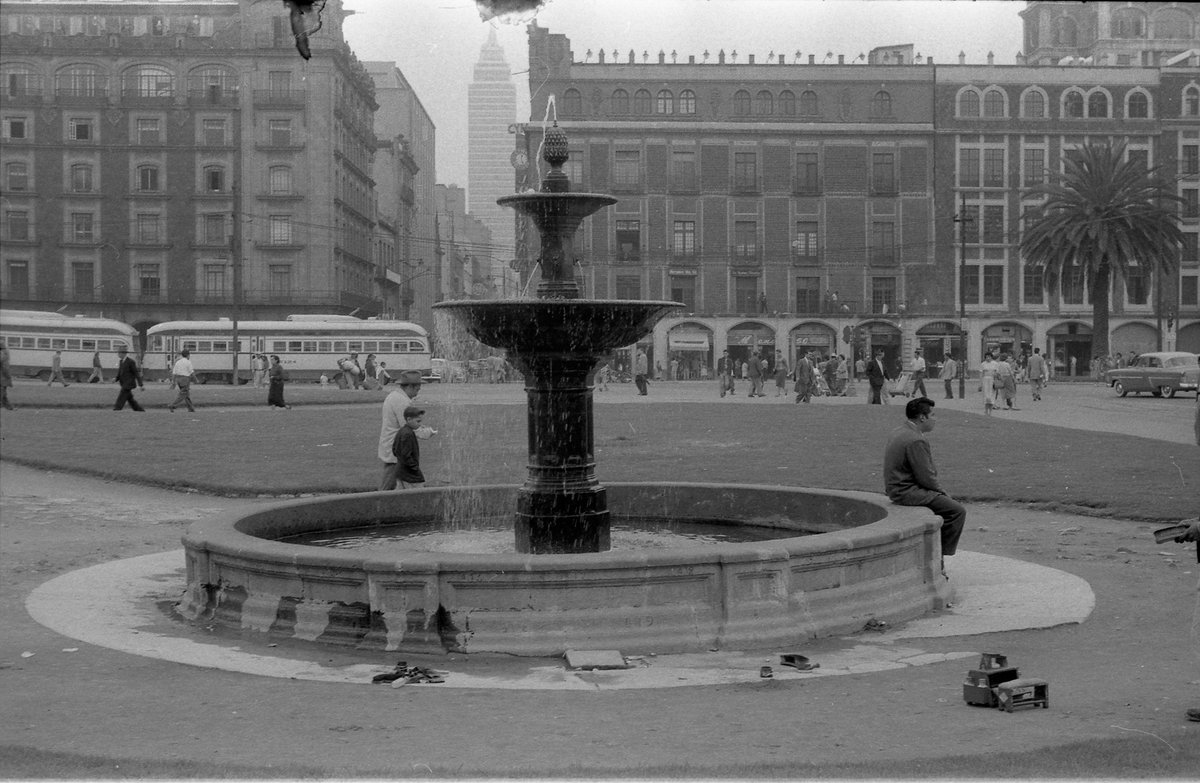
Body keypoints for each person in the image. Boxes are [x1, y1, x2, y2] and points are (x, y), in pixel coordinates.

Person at [883, 397, 966, 577]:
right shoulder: (916, 440)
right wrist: (943, 493)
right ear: (922, 417)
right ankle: (939, 557)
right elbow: (926, 477)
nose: (935, 419)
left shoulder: (900, 431)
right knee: (956, 511)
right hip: (907, 492)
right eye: (933, 415)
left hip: (897, 488)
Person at [378, 370, 427, 490]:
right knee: (388, 486)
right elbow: (409, 425)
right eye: (417, 389)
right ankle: (379, 506)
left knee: (397, 484)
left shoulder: (394, 396)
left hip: (395, 447)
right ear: (410, 386)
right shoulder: (401, 401)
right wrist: (426, 432)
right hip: (398, 448)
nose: (417, 392)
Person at [391, 405, 428, 489]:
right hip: (410, 474)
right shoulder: (408, 434)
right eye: (418, 421)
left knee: (400, 496)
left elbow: (394, 450)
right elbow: (405, 455)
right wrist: (414, 467)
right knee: (418, 495)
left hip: (400, 471)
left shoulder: (401, 431)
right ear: (409, 419)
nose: (420, 424)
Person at [113, 346, 145, 412]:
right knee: (130, 399)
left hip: (129, 383)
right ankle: (138, 409)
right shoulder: (121, 362)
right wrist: (116, 379)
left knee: (122, 395)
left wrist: (140, 385)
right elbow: (120, 373)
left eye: (119, 353)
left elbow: (136, 373)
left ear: (123, 354)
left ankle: (117, 408)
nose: (118, 354)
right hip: (124, 383)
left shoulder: (131, 362)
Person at [168, 349, 197, 413]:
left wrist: (173, 382)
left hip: (179, 379)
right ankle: (173, 405)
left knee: (186, 395)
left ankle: (191, 408)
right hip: (185, 379)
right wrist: (196, 380)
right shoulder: (188, 362)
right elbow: (191, 372)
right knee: (183, 394)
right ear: (187, 355)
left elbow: (174, 373)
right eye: (189, 355)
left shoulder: (178, 362)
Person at [979, 350, 1000, 415]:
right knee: (986, 395)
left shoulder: (995, 364)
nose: (988, 358)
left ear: (991, 357)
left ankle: (990, 411)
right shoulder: (983, 364)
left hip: (992, 380)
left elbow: (997, 373)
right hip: (985, 380)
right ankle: (986, 410)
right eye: (986, 357)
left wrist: (995, 378)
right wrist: (980, 383)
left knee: (991, 395)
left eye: (989, 357)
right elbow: (981, 374)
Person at [1, 342, 14, 410]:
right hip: (2, 378)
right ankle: (9, 407)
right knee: (2, 393)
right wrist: (8, 376)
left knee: (3, 393)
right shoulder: (3, 356)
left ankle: (9, 407)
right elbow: (5, 368)